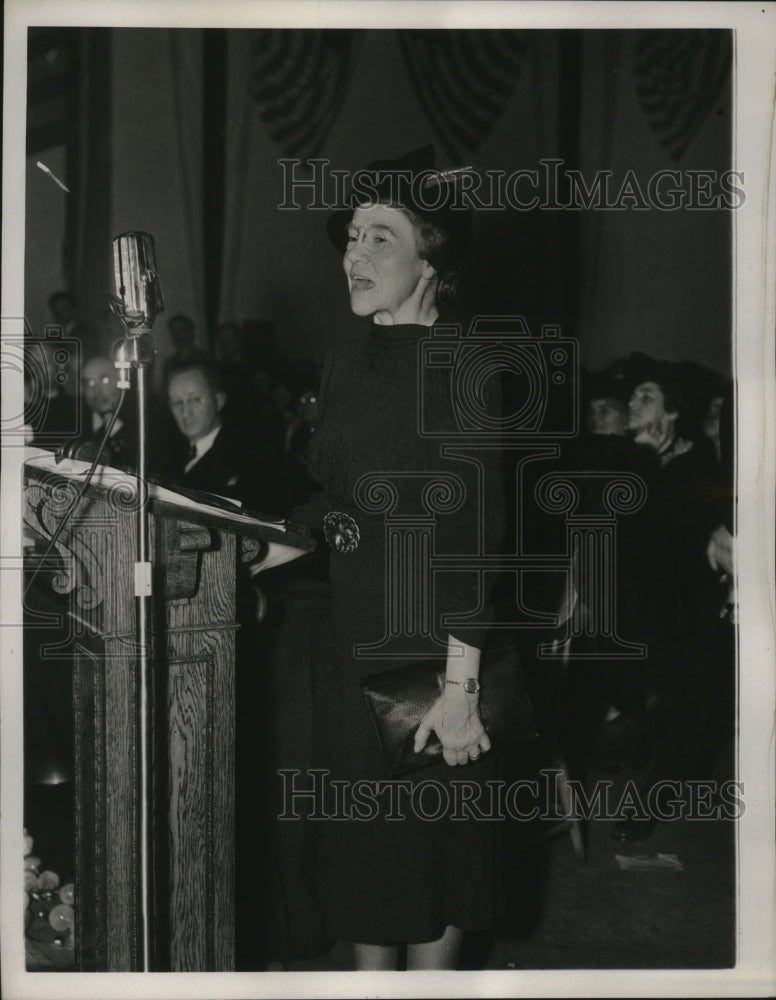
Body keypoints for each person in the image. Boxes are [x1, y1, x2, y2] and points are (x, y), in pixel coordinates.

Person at [251, 146, 504, 970]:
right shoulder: (347, 361)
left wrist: (461, 693)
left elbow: (479, 545)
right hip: (347, 653)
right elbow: (338, 499)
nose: (355, 254)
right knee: (365, 879)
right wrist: (252, 544)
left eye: (381, 238)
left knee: (431, 892)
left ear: (432, 259)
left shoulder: (466, 370)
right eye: (352, 236)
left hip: (429, 668)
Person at [76, 355, 138, 468]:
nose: (96, 392)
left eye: (105, 380)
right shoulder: (76, 422)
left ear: (121, 381)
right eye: (89, 383)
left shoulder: (140, 422)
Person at [162, 314, 209, 384]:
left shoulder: (204, 359)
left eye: (182, 330)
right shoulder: (169, 363)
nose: (178, 335)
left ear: (191, 333)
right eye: (174, 331)